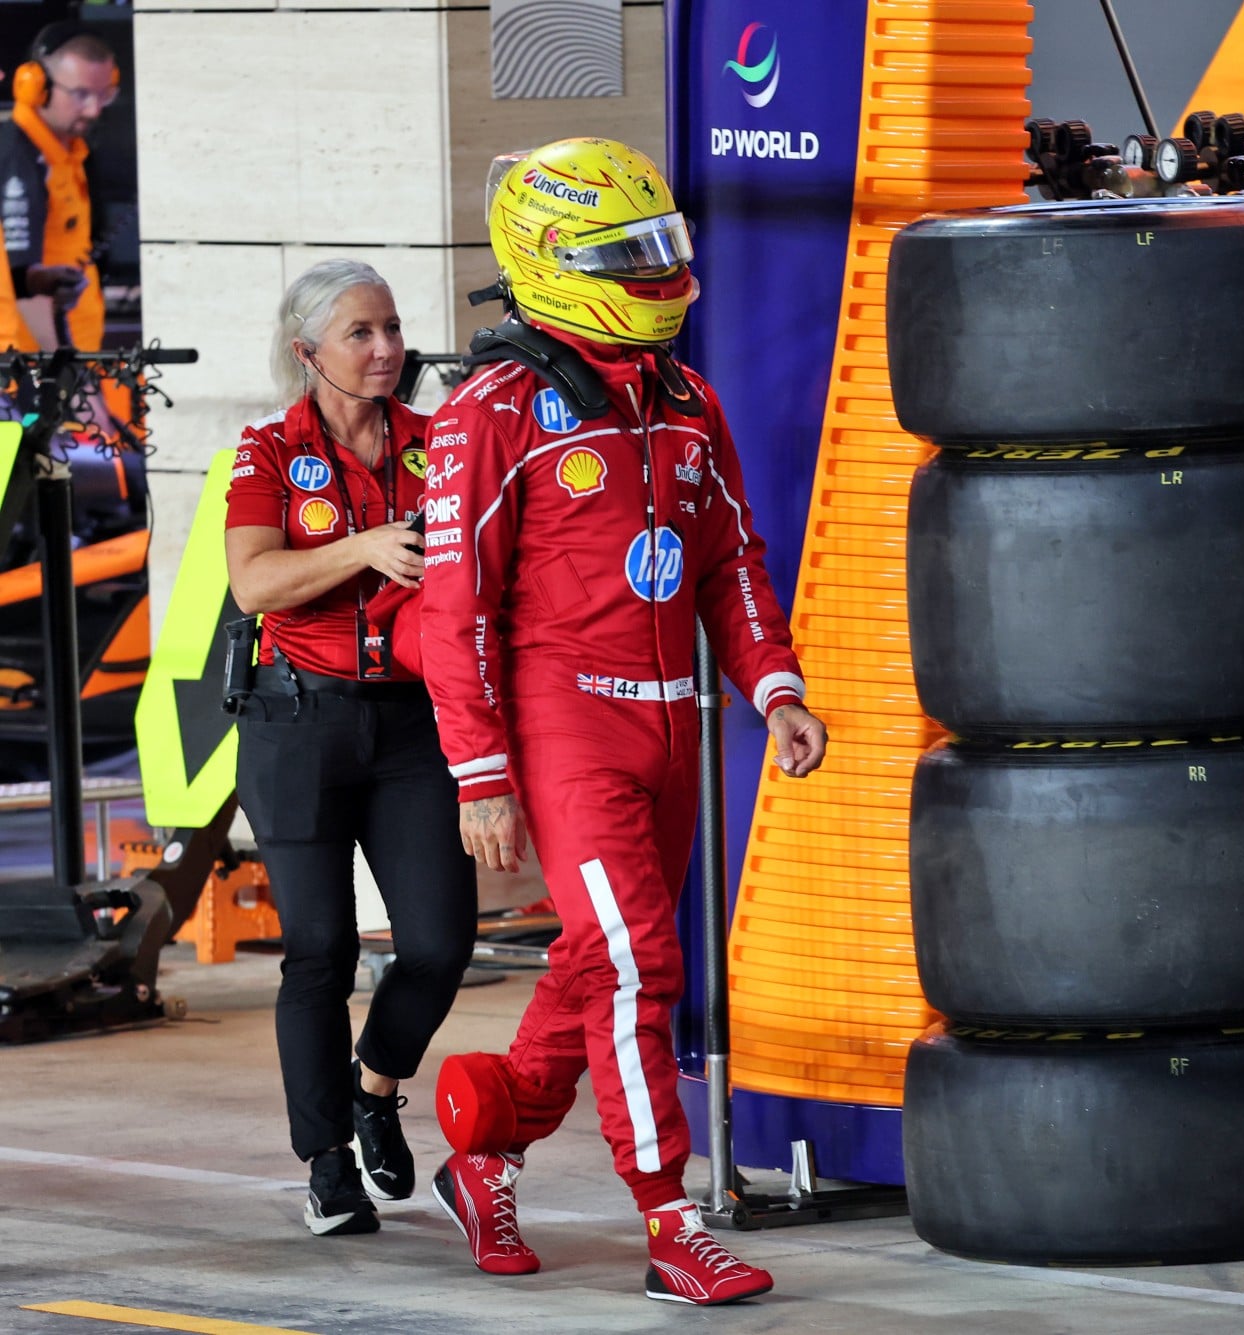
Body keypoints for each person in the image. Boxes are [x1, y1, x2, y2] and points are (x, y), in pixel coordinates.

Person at [422, 137, 827, 1307]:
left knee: (597, 960)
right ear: (550, 260)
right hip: (568, 730)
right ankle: (669, 1219)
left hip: (671, 735)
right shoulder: (489, 412)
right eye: (626, 254)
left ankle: (488, 1143)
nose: (656, 270)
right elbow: (453, 610)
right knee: (642, 963)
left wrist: (775, 687)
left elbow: (732, 562)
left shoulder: (687, 401)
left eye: (661, 246)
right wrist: (479, 771)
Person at [224, 259, 477, 1237]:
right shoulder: (267, 449)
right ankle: (326, 1162)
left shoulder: (438, 440)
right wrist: (362, 549)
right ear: (308, 353)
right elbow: (254, 583)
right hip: (298, 721)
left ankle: (375, 1086)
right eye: (361, 334)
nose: (386, 349)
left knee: (439, 944)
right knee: (319, 950)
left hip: (412, 724)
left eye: (393, 329)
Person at [0, 21, 116, 350]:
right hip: (32, 362)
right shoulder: (19, 158)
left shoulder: (70, 154)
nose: (93, 109)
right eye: (81, 94)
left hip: (71, 354)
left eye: (105, 94)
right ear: (37, 86)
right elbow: (22, 279)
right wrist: (61, 367)